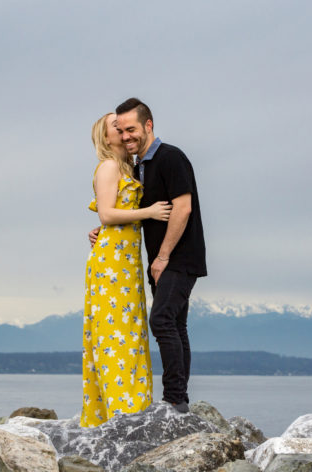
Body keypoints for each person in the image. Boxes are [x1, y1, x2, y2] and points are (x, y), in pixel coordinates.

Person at [92, 98, 206, 413]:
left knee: (161, 319)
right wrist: (103, 232)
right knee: (177, 324)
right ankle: (180, 398)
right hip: (161, 260)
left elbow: (182, 208)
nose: (127, 135)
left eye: (131, 129)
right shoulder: (140, 166)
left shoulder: (170, 157)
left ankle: (173, 399)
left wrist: (163, 256)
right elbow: (134, 212)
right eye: (121, 130)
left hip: (179, 257)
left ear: (148, 125)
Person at [81, 112, 172, 427]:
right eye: (115, 127)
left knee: (130, 332)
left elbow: (111, 214)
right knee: (115, 334)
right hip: (111, 264)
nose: (122, 130)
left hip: (125, 262)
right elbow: (107, 213)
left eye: (123, 125)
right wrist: (149, 211)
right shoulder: (108, 167)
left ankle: (132, 407)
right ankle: (121, 413)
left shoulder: (129, 168)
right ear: (107, 138)